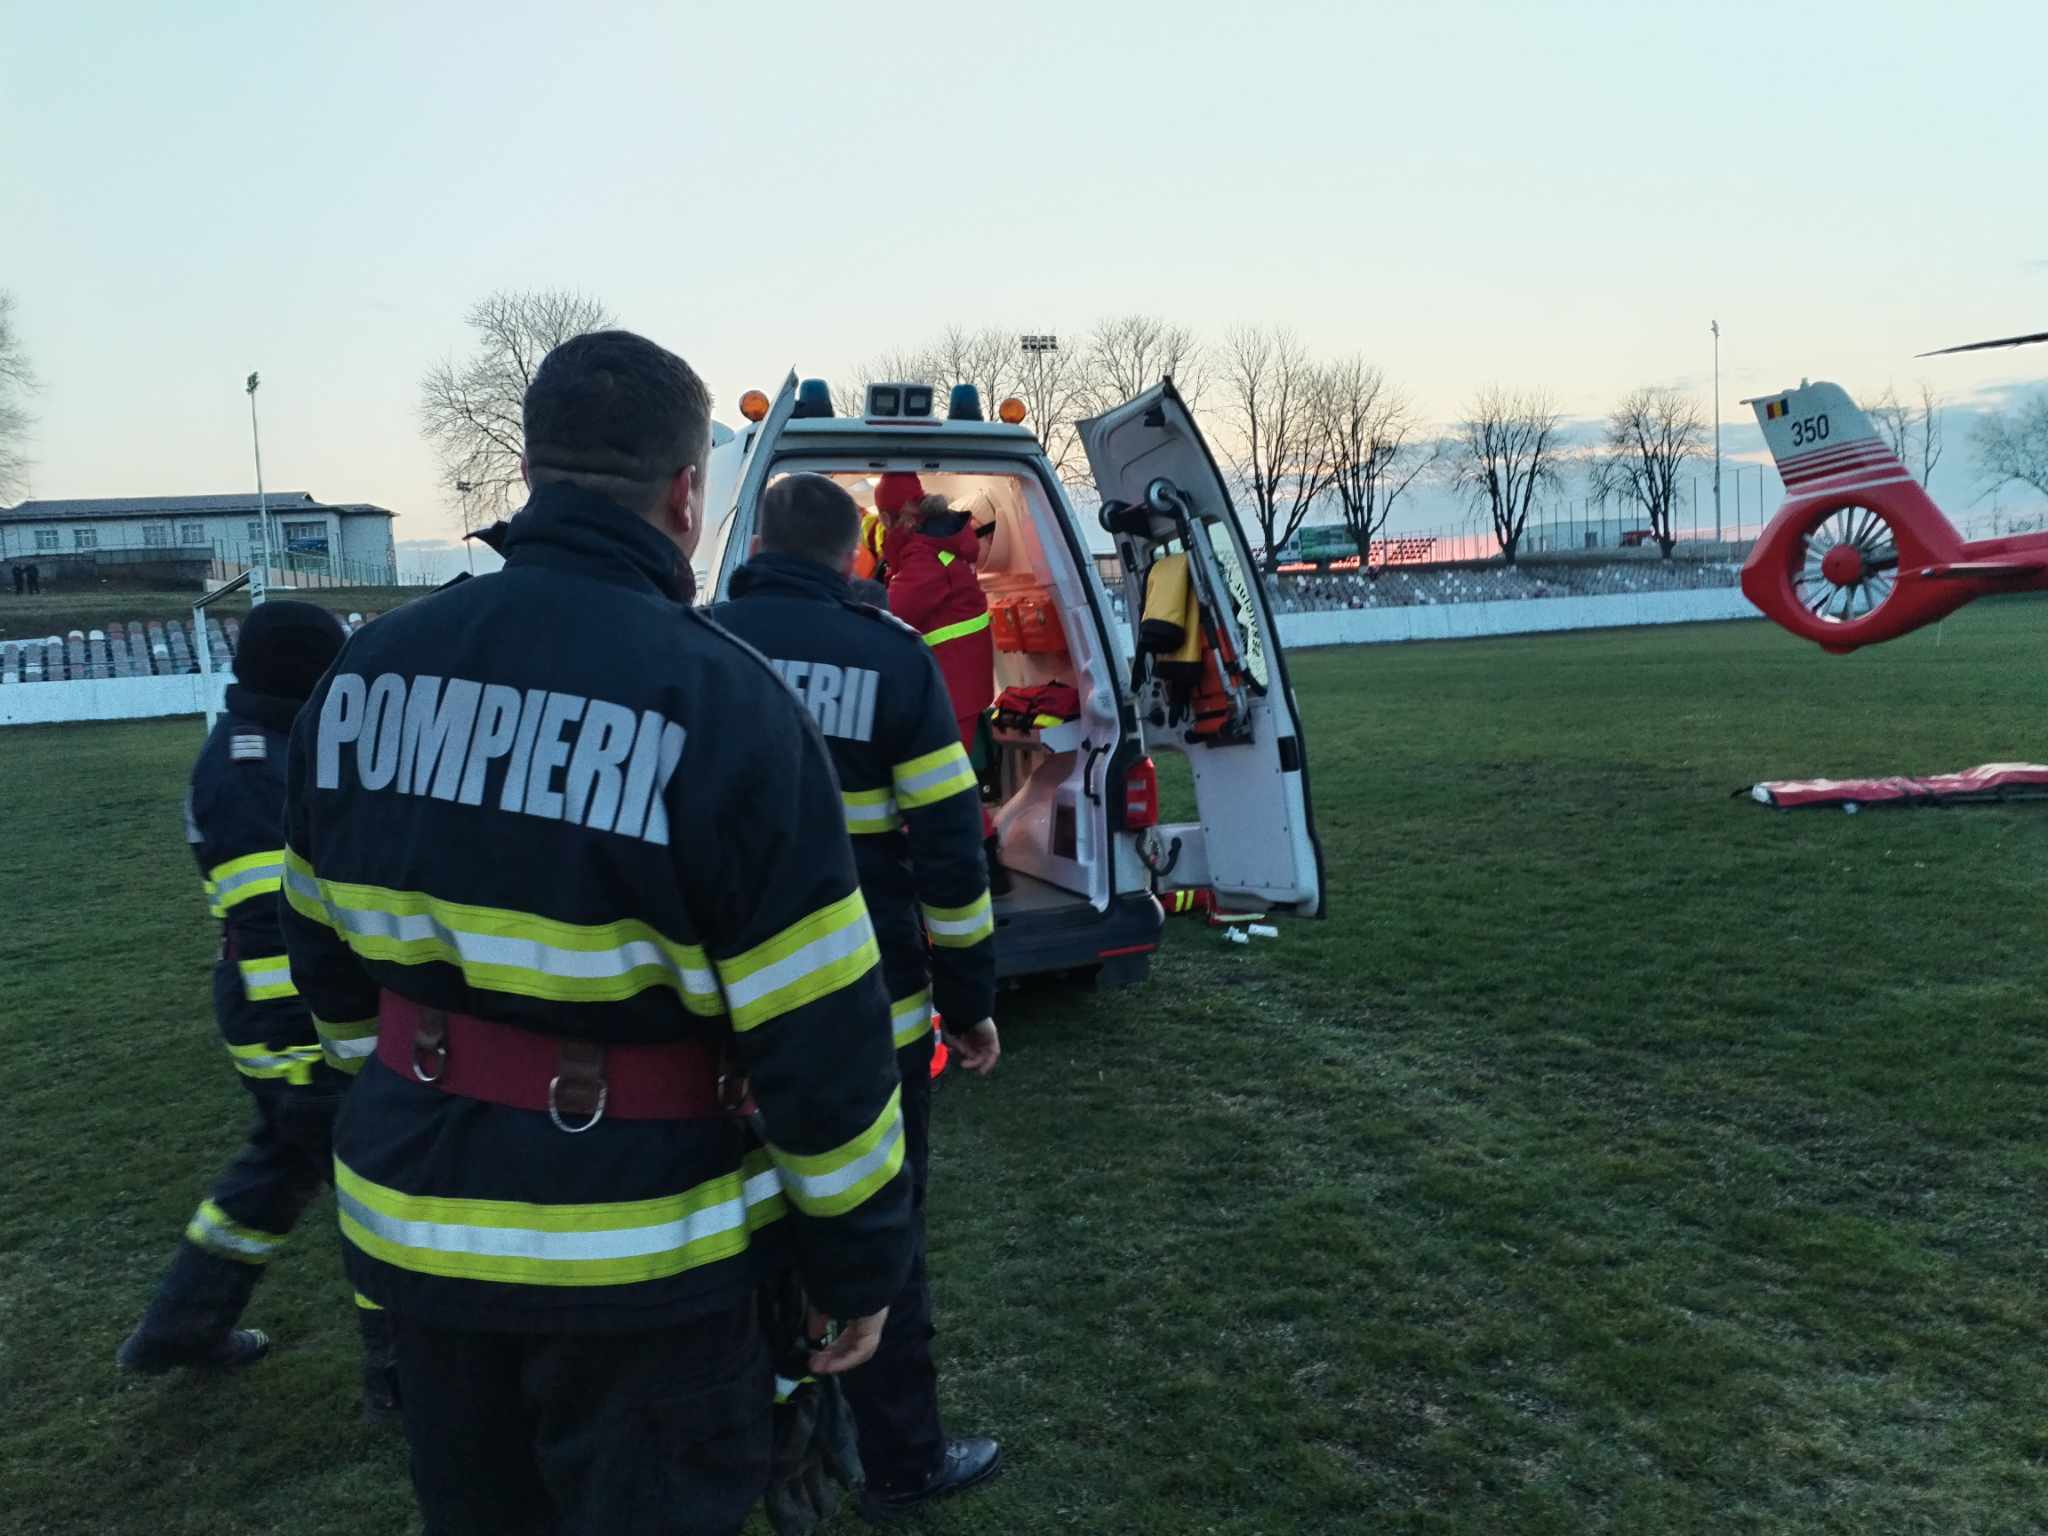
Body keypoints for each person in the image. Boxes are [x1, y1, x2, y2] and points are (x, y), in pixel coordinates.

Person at [279, 332, 913, 1536]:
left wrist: (414, 1100)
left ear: (529, 472)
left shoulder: (365, 674)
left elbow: (321, 955)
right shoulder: (725, 702)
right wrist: (857, 1265)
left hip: (420, 1231)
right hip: (648, 1264)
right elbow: (819, 1036)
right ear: (685, 495)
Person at [711, 474, 1004, 1518]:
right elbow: (949, 850)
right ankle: (900, 1459)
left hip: (720, 1024)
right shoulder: (891, 659)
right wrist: (968, 999)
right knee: (882, 1227)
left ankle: (746, 1444)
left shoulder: (697, 647)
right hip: (868, 1009)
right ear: (853, 559)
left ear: (755, 545)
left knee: (734, 1231)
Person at [117, 599, 399, 1423]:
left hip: (275, 1006)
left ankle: (179, 1328)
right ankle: (398, 1371)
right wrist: (310, 1050)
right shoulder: (251, 771)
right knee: (374, 1180)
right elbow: (277, 927)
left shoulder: (268, 746)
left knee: (279, 1166)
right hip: (287, 1014)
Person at [872, 472, 1004, 893]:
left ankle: (986, 863)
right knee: (949, 775)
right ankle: (981, 859)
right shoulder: (929, 545)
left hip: (954, 683)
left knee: (946, 779)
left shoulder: (925, 555)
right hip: (956, 680)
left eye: (884, 516)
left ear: (896, 515)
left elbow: (894, 612)